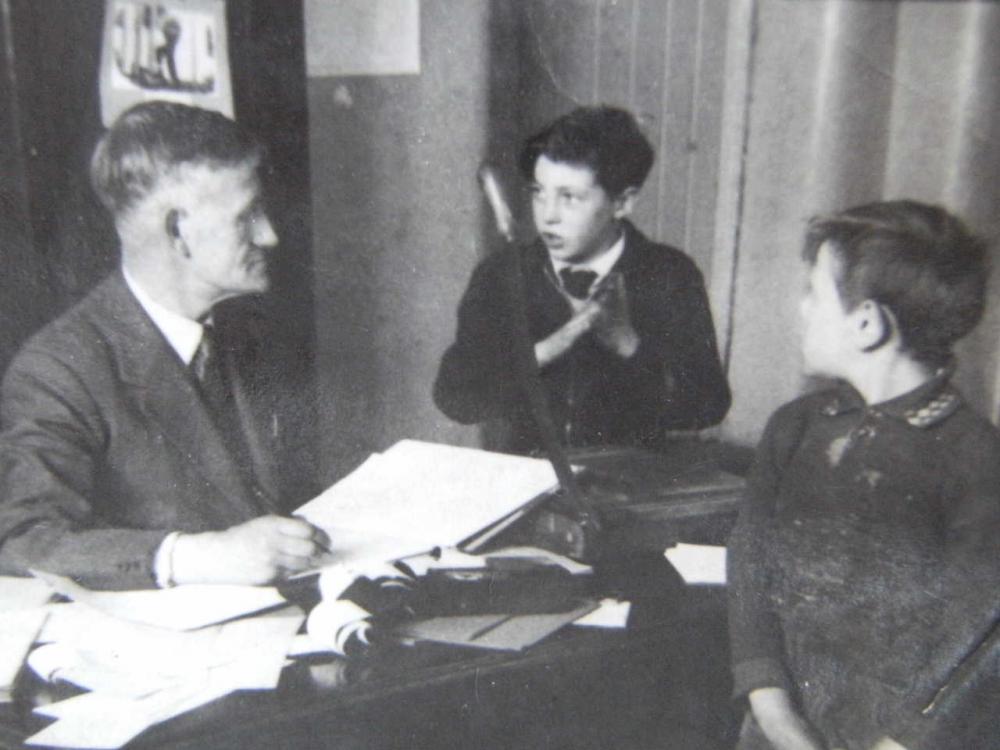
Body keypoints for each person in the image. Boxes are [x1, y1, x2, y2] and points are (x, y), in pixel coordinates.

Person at [0, 101, 330, 590]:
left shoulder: (253, 333)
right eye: (248, 216)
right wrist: (195, 557)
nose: (271, 235)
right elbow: (22, 540)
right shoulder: (60, 370)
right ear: (178, 232)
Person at [727, 200, 1000, 750]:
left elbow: (978, 644)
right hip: (775, 730)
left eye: (814, 292)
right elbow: (749, 566)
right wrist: (773, 711)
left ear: (868, 323)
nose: (800, 308)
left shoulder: (976, 455)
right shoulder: (795, 428)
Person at [433, 106, 730, 454]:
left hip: (634, 486)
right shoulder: (500, 274)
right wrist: (550, 347)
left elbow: (708, 405)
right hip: (529, 478)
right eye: (538, 192)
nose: (548, 216)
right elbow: (454, 398)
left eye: (569, 198)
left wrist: (627, 344)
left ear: (622, 202)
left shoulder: (669, 274)